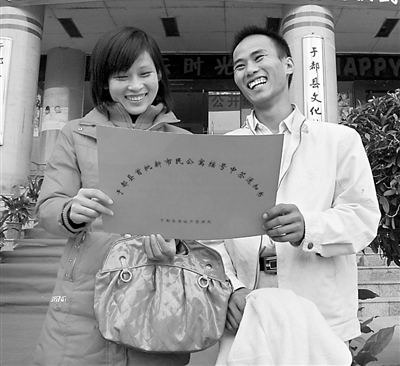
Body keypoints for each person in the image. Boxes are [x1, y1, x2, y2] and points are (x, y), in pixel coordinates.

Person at [216, 26, 380, 355]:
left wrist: (309, 227)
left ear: (289, 64)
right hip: (249, 312)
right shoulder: (224, 150)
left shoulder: (338, 141)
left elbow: (363, 218)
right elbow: (210, 234)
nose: (250, 70)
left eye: (259, 58)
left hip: (320, 315)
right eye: (239, 65)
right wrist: (231, 288)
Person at [33, 27, 191, 366]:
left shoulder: (182, 141)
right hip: (84, 295)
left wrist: (177, 244)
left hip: (157, 292)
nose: (135, 86)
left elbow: (194, 222)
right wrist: (71, 211)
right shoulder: (75, 134)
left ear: (159, 75)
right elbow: (48, 209)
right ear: (105, 82)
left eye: (145, 74)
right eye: (122, 76)